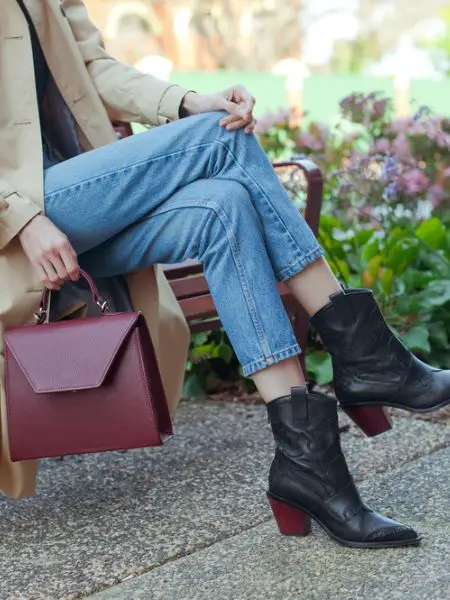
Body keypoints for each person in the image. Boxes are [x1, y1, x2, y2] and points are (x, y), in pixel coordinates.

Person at [0, 0, 448, 548]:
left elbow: (92, 66)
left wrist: (187, 100)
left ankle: (308, 468)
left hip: (77, 204)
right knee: (221, 134)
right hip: (20, 219)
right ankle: (367, 356)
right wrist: (21, 218)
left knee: (224, 207)